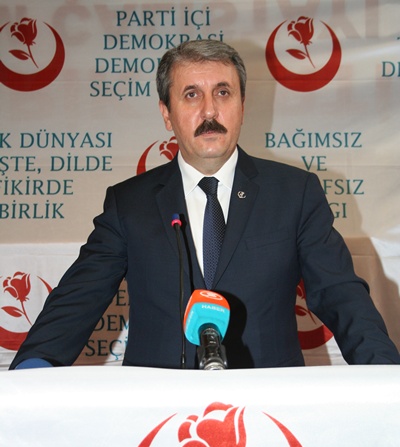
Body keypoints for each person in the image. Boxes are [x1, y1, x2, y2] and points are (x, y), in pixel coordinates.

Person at [9, 39, 399, 370]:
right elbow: (78, 299)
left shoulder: (294, 193)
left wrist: (384, 378)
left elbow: (341, 295)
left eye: (223, 93)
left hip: (269, 403)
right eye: (191, 95)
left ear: (242, 105)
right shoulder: (129, 203)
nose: (209, 111)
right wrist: (30, 372)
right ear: (167, 113)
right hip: (156, 409)